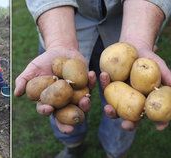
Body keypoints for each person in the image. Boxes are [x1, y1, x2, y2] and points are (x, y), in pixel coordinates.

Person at [15, 0, 171, 157]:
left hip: (130, 19)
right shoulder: (61, 71)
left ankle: (114, 151)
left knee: (118, 117)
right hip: (63, 22)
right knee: (62, 112)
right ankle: (73, 146)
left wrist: (139, 39)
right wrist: (59, 42)